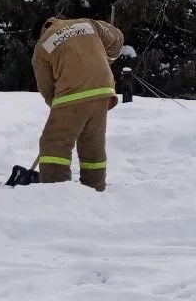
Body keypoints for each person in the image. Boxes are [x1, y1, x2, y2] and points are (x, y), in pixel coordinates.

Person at [30, 12, 125, 191]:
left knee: (54, 144)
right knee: (92, 143)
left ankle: (55, 191)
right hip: (103, 91)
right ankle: (95, 188)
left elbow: (46, 87)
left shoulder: (41, 47)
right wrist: (106, 59)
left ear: (40, 34)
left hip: (72, 95)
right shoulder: (87, 24)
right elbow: (117, 37)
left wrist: (56, 107)